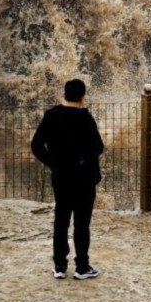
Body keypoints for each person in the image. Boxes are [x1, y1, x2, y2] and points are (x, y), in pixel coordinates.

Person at [31, 79, 105, 280]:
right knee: (82, 223)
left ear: (64, 94)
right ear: (82, 97)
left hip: (61, 176)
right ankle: (82, 267)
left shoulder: (51, 116)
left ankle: (59, 266)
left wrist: (54, 162)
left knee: (61, 220)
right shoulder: (85, 118)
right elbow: (99, 147)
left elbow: (36, 145)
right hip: (85, 178)